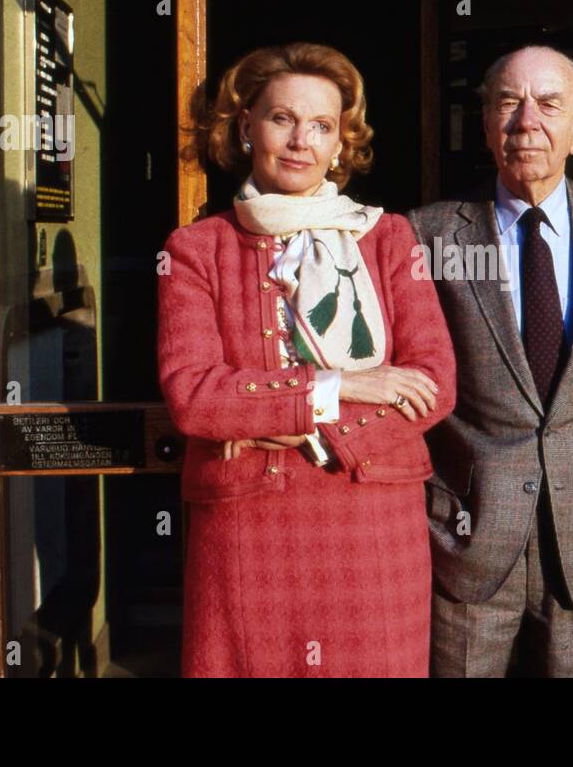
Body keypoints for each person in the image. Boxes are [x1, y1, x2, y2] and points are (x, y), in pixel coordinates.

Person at [157, 42, 456, 677]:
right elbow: (194, 394)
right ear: (245, 128)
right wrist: (338, 385)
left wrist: (262, 418)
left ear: (343, 142)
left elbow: (434, 381)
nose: (301, 141)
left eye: (322, 126)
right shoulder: (196, 250)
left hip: (372, 521)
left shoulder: (390, 237)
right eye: (281, 119)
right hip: (248, 527)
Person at [407, 45, 573, 677]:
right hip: (465, 529)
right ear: (487, 122)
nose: (527, 121)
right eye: (508, 103)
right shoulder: (428, 232)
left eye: (549, 104)